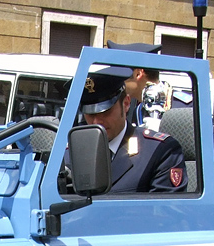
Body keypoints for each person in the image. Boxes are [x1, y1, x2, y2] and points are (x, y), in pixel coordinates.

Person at [75, 65, 186, 194]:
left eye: (106, 112)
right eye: (90, 114)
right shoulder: (70, 153)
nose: (97, 122)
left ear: (126, 104)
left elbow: (163, 211)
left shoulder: (159, 152)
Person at [105, 41, 191, 130]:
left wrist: (165, 128)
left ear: (138, 74)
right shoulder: (133, 109)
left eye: (121, 76)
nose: (115, 81)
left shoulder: (184, 107)